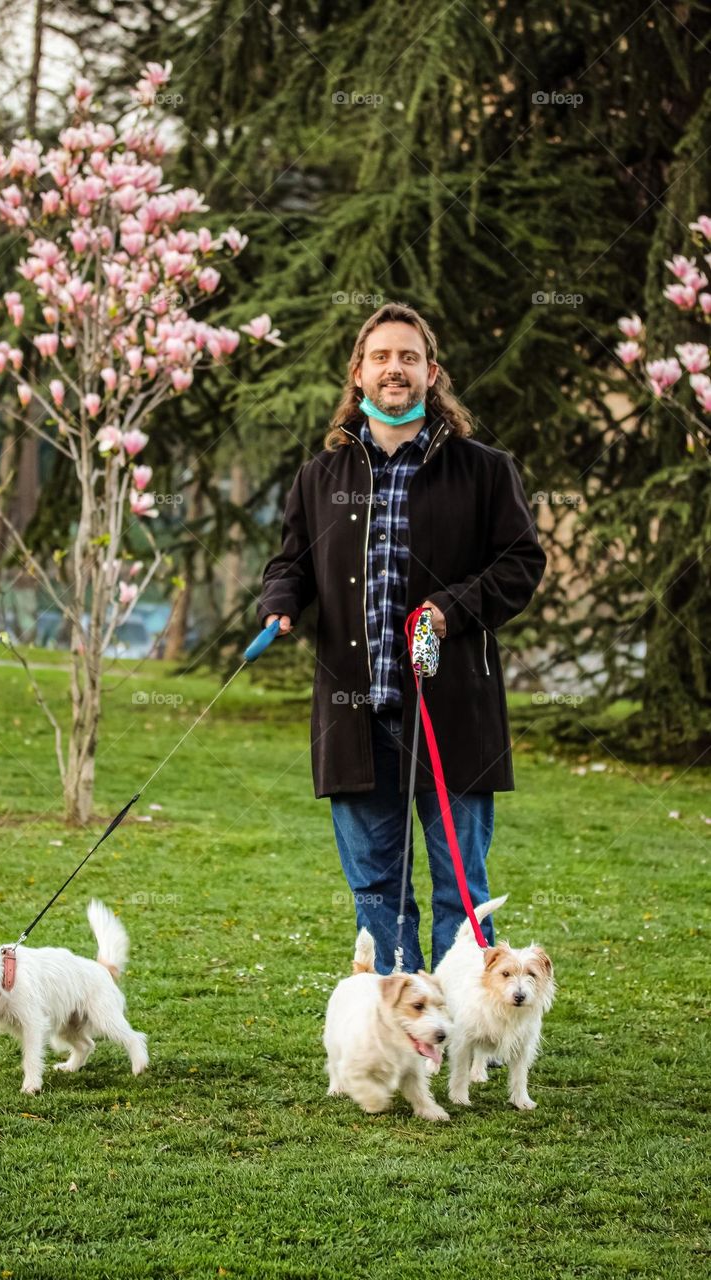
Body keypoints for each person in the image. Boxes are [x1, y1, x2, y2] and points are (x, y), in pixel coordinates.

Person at [257, 301, 546, 972]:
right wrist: (280, 601)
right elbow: (290, 563)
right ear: (358, 374)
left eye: (408, 358)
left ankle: (463, 1035)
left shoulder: (482, 469)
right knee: (375, 894)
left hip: (453, 719)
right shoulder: (319, 477)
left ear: (430, 373)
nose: (395, 369)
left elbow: (520, 564)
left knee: (462, 893)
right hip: (353, 719)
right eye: (382, 357)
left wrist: (451, 608)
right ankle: (402, 1035)